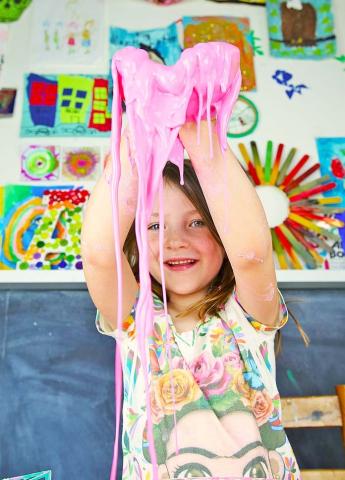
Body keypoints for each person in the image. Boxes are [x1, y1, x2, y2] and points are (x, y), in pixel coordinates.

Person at [81, 120, 301, 480]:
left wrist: (200, 133)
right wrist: (131, 141)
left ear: (223, 232)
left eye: (197, 223)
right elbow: (98, 254)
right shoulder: (136, 321)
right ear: (135, 240)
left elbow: (251, 255)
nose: (174, 240)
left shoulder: (247, 317)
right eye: (154, 226)